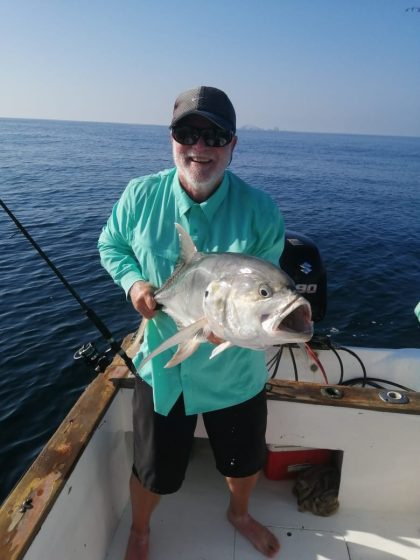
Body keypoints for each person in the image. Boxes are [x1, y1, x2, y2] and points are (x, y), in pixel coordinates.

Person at [98, 86, 285, 559]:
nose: (200, 147)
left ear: (233, 145)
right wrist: (135, 284)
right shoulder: (140, 196)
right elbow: (112, 245)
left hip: (234, 373)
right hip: (162, 366)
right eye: (188, 132)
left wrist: (234, 323)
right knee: (152, 470)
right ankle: (140, 529)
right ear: (172, 138)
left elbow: (263, 296)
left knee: (243, 463)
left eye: (214, 135)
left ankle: (238, 513)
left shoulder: (261, 211)